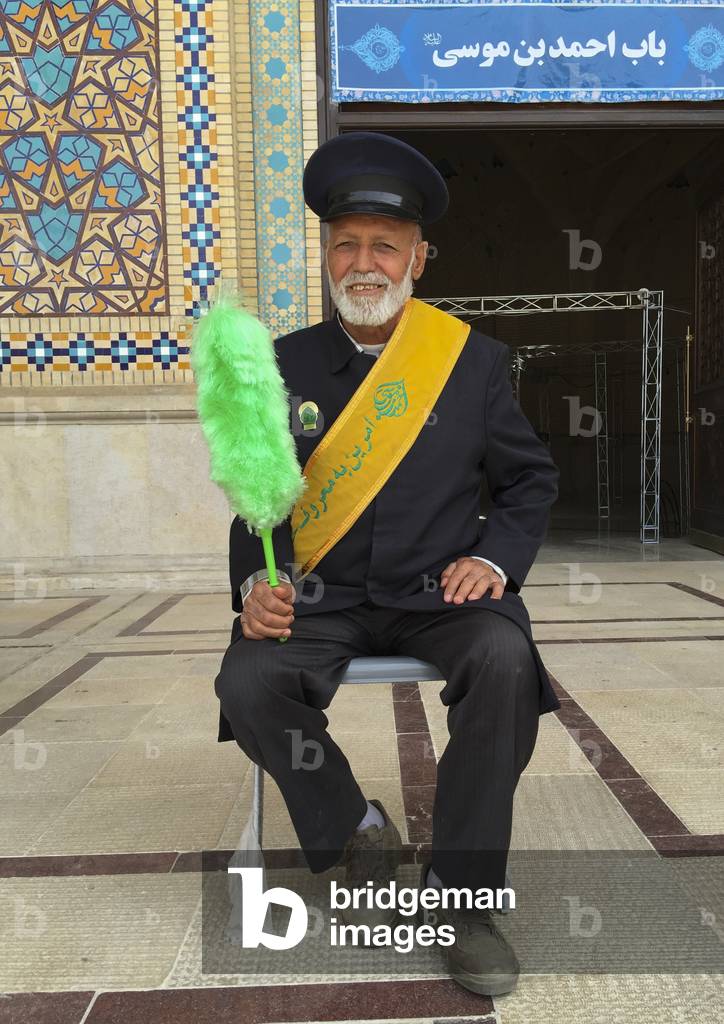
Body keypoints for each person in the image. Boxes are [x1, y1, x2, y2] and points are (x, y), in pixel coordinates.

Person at [213, 132, 560, 996]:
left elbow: (530, 480)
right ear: (327, 253)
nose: (363, 264)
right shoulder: (281, 366)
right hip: (321, 596)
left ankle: (464, 896)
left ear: (418, 258)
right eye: (346, 244)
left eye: (384, 245)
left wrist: (494, 557)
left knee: (506, 659)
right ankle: (355, 831)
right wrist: (256, 583)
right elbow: (257, 500)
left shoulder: (472, 361)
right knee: (248, 680)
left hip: (439, 593)